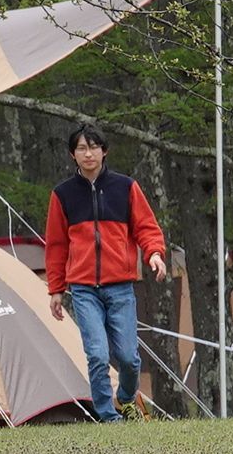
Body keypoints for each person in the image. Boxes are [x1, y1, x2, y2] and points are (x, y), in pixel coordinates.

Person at [43, 124, 167, 421]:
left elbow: (146, 228)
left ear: (104, 151)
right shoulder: (62, 195)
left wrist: (155, 254)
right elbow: (57, 245)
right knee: (97, 355)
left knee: (128, 358)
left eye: (94, 147)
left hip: (120, 286)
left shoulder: (125, 187)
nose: (88, 154)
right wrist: (56, 288)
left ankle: (124, 397)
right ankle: (107, 416)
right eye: (82, 149)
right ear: (73, 155)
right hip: (84, 289)